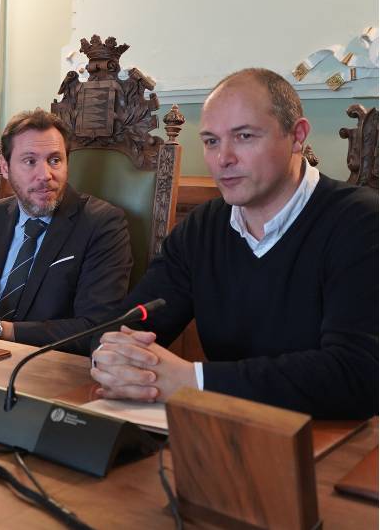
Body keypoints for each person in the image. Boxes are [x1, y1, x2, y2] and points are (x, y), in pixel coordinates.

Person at [90, 68, 378, 419]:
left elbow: (359, 374)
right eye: (211, 141)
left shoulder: (361, 221)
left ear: (297, 135)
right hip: (225, 428)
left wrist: (194, 380)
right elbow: (130, 324)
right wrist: (112, 355)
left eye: (244, 136)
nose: (223, 159)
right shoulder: (201, 228)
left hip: (336, 437)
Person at [0, 108, 132, 350]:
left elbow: (97, 328)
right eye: (30, 161)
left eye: (55, 160)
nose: (45, 175)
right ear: (5, 167)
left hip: (45, 363)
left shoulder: (101, 224)